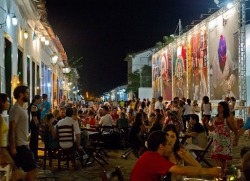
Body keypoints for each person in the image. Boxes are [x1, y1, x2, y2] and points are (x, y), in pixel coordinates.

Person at [130, 130, 222, 181]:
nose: (171, 147)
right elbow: (181, 171)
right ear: (161, 146)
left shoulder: (151, 155)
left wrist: (188, 158)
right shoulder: (153, 158)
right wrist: (208, 171)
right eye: (169, 144)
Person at [9, 85, 37, 181]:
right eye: (27, 93)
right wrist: (13, 147)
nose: (29, 95)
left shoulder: (22, 108)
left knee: (17, 172)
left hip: (23, 143)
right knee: (33, 167)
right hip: (19, 145)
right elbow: (11, 129)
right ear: (21, 95)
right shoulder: (16, 109)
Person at [203, 101, 237, 177]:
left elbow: (234, 129)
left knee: (223, 160)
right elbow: (211, 129)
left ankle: (222, 174)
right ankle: (221, 174)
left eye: (220, 107)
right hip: (216, 142)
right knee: (217, 158)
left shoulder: (227, 118)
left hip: (225, 142)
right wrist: (206, 124)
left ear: (224, 108)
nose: (218, 108)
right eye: (218, 107)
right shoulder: (215, 118)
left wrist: (236, 139)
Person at [0, 93, 22, 181]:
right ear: (2, 103)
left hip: (5, 149)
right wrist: (1, 156)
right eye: (7, 101)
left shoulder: (1, 116)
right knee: (14, 169)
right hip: (2, 151)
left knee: (14, 169)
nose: (9, 103)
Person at [28, 95, 42, 161]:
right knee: (34, 141)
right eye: (40, 99)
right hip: (34, 125)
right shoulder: (33, 106)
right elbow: (34, 117)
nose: (40, 101)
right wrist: (38, 125)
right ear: (36, 99)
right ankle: (33, 156)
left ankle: (34, 156)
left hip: (33, 125)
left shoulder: (35, 106)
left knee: (34, 140)